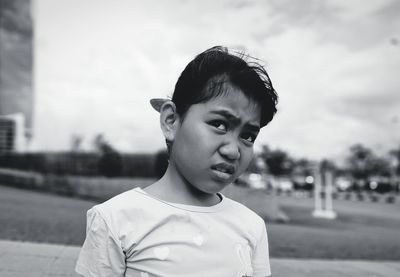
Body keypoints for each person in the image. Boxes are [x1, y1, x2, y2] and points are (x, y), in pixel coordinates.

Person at [75, 46, 278, 277]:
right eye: (219, 124)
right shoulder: (115, 219)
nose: (233, 151)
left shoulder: (251, 226)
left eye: (248, 136)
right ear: (171, 121)